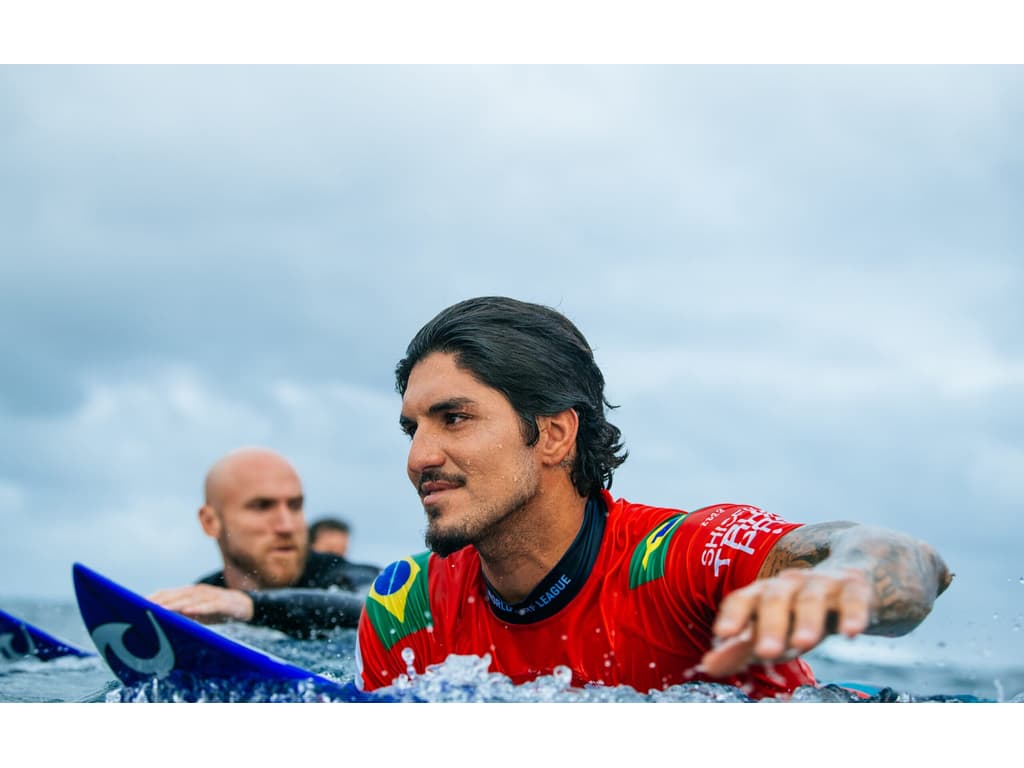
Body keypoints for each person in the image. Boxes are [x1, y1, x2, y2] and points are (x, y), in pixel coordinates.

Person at [354, 296, 953, 699]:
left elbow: (907, 563)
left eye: (453, 419)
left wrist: (846, 579)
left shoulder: (677, 561)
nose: (418, 458)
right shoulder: (405, 609)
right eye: (413, 429)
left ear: (555, 434)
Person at [149, 447, 380, 639]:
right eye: (262, 506)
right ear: (210, 522)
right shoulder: (207, 602)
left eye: (295, 506)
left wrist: (249, 605)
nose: (286, 526)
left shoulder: (339, 574)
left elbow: (377, 608)